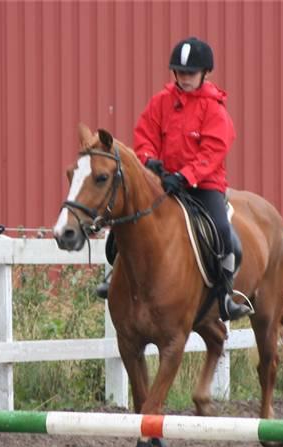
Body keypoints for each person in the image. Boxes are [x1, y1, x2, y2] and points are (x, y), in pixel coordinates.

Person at [97, 36, 251, 321]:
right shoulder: (161, 102)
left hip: (203, 186)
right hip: (163, 183)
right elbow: (145, 134)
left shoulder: (215, 109)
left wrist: (185, 175)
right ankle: (115, 276)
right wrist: (148, 161)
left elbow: (213, 151)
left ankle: (225, 295)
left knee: (222, 233)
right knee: (125, 223)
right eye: (179, 72)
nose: (184, 78)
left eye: (190, 73)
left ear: (205, 73)